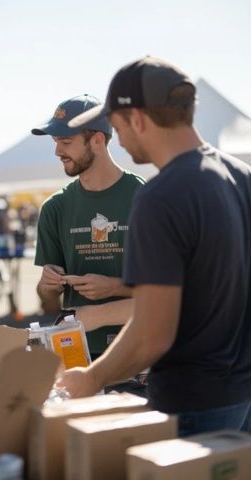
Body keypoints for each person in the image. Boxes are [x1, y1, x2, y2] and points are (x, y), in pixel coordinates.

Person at [58, 56, 251, 436]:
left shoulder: (161, 196)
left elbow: (152, 332)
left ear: (139, 119)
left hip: (191, 404)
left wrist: (92, 378)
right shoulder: (241, 175)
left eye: (116, 125)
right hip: (241, 395)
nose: (119, 138)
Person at [32, 94, 144, 360]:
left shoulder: (143, 198)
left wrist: (113, 286)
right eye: (56, 142)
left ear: (97, 140)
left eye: (66, 142)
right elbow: (48, 304)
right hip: (76, 352)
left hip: (139, 351)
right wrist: (48, 287)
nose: (57, 151)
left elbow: (168, 293)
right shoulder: (54, 208)